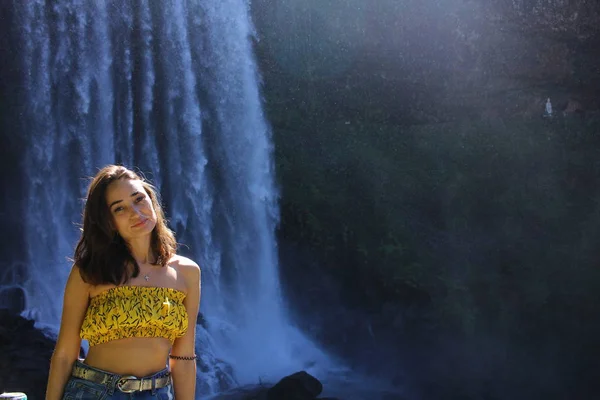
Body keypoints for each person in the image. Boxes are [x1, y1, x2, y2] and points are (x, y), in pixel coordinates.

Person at [45, 165, 201, 400]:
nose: (136, 213)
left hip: (158, 393)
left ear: (151, 199)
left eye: (139, 199)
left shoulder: (187, 272)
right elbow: (66, 353)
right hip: (95, 392)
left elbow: (184, 356)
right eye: (120, 209)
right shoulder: (90, 272)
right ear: (108, 222)